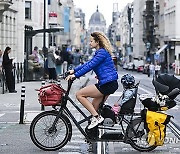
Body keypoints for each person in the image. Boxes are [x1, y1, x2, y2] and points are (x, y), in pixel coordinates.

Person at [66, 32, 119, 129]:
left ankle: (97, 118)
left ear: (97, 42)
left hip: (107, 84)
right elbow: (88, 63)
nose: (89, 43)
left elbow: (90, 66)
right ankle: (94, 133)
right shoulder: (99, 53)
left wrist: (75, 76)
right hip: (108, 83)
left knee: (79, 94)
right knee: (94, 106)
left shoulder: (102, 53)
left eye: (91, 41)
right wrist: (73, 70)